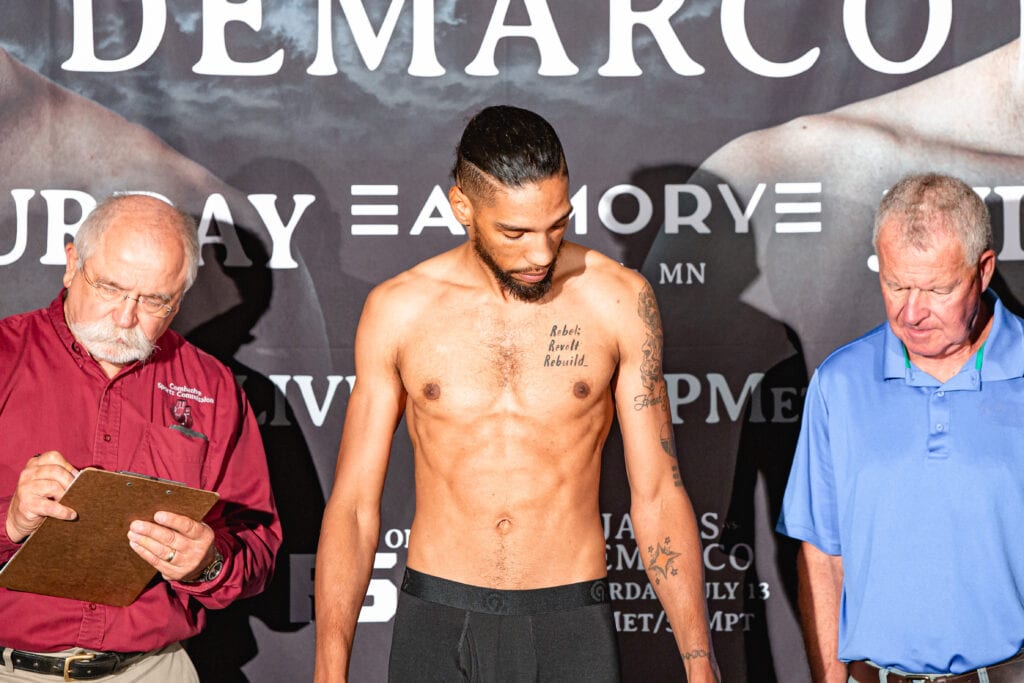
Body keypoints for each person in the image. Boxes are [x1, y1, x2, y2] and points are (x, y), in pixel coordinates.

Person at [313, 105, 719, 682]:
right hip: (438, 616)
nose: (541, 254)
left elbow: (657, 492)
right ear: (462, 208)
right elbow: (353, 507)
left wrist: (700, 665)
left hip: (570, 620)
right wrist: (329, 670)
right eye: (515, 232)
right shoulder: (398, 310)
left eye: (557, 224)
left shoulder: (620, 300)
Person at [0, 194, 281, 681]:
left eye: (154, 300)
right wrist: (10, 521)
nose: (126, 318)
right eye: (110, 288)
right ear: (72, 265)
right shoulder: (6, 357)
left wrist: (208, 562)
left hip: (156, 668)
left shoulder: (212, 386)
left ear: (180, 300)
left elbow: (258, 546)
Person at [776, 173, 1024, 681]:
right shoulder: (839, 384)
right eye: (895, 284)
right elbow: (823, 557)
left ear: (983, 270)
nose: (912, 312)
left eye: (936, 289)